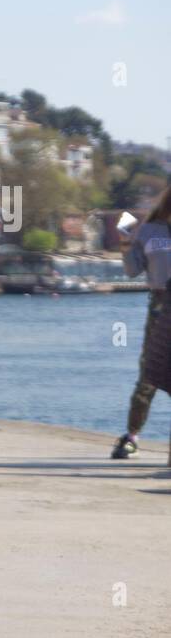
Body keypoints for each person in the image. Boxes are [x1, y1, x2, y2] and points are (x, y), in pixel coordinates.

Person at [111, 185, 171, 459]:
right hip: (160, 306)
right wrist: (125, 242)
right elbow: (133, 269)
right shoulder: (149, 232)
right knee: (150, 372)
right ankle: (132, 435)